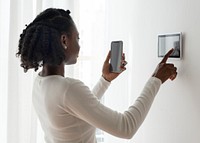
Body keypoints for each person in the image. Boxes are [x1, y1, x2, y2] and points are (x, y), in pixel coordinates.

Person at [16, 8, 177, 143]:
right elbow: (126, 127)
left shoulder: (40, 83)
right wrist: (155, 80)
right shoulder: (68, 88)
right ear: (64, 40)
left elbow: (78, 110)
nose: (79, 45)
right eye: (77, 38)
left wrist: (105, 80)